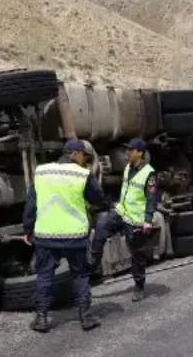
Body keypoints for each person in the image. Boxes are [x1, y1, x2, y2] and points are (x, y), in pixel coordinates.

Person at [22, 138, 106, 333]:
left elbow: (31, 206)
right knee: (80, 275)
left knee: (44, 275)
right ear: (75, 154)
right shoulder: (83, 174)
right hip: (74, 236)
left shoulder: (42, 172)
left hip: (46, 235)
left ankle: (42, 319)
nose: (84, 161)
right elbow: (98, 198)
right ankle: (85, 318)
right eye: (84, 156)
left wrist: (28, 230)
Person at [90, 138, 160, 303]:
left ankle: (139, 286)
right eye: (127, 150)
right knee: (100, 231)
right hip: (121, 213)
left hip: (135, 219)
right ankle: (92, 266)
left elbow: (151, 199)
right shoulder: (128, 167)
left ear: (140, 153)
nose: (127, 153)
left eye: (131, 150)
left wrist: (148, 220)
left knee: (137, 255)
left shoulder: (149, 173)